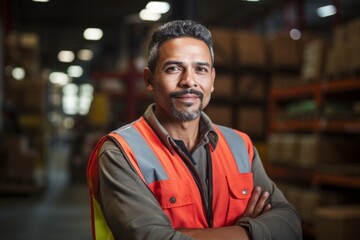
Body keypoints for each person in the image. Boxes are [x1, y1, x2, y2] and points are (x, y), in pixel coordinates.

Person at [87, 20, 302, 240]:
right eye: (174, 68)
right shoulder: (121, 153)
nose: (189, 81)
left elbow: (290, 224)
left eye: (201, 69)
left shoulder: (240, 146)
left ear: (212, 79)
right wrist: (253, 232)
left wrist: (186, 235)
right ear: (149, 80)